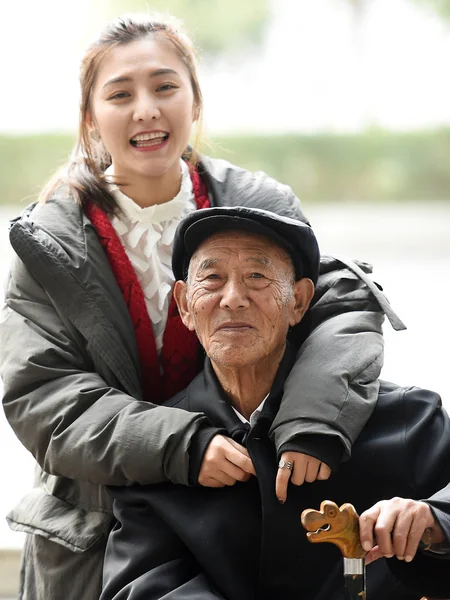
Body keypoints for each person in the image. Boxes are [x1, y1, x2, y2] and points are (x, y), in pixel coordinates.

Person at [0, 13, 400, 600]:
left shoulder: (260, 204)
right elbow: (41, 396)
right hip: (91, 542)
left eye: (165, 87)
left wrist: (315, 423)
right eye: (120, 94)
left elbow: (337, 309)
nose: (146, 110)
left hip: (235, 527)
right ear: (91, 117)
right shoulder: (51, 241)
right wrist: (181, 445)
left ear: (195, 102)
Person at [101, 206, 450, 600]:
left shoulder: (408, 418)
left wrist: (437, 523)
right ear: (184, 304)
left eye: (257, 276)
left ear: (299, 301)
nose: (233, 299)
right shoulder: (162, 452)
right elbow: (144, 585)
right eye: (212, 278)